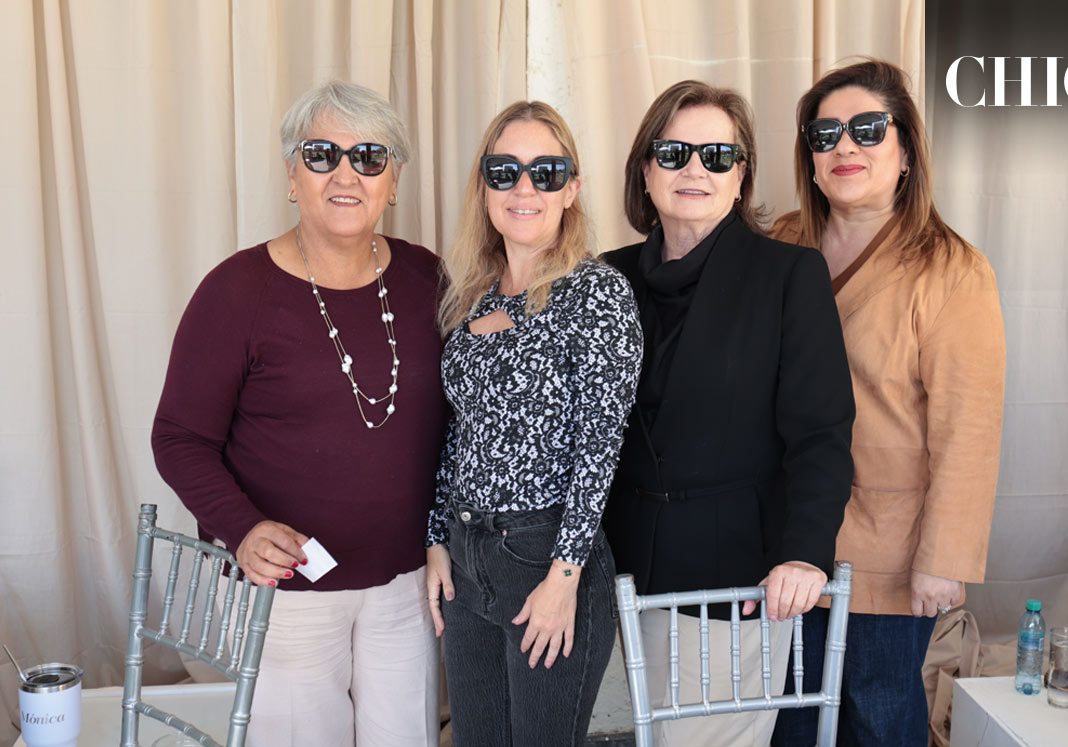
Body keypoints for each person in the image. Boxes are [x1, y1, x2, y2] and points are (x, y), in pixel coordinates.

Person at [152, 80, 444, 747]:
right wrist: (242, 528)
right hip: (287, 591)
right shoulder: (235, 291)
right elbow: (178, 436)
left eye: (370, 156)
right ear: (292, 174)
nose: (347, 173)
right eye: (322, 155)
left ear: (393, 180)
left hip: (406, 583)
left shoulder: (430, 278)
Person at [602, 80, 856, 747]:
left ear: (741, 176)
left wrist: (805, 553)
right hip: (614, 574)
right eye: (675, 151)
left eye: (718, 155)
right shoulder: (604, 277)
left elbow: (820, 433)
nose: (695, 168)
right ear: (645, 170)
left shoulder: (789, 276)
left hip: (732, 581)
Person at [769, 59, 1006, 746]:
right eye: (826, 134)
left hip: (891, 551)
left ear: (905, 150)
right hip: (789, 539)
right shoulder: (779, 244)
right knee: (792, 717)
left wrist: (945, 556)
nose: (845, 147)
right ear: (808, 157)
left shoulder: (953, 269)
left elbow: (971, 427)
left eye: (868, 129)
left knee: (877, 716)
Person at [424, 101, 641, 747]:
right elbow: (459, 430)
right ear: (484, 185)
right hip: (467, 559)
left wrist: (564, 576)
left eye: (547, 171)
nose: (525, 187)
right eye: (505, 169)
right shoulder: (474, 295)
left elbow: (600, 445)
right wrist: (436, 538)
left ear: (571, 188)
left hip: (545, 556)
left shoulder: (596, 292)